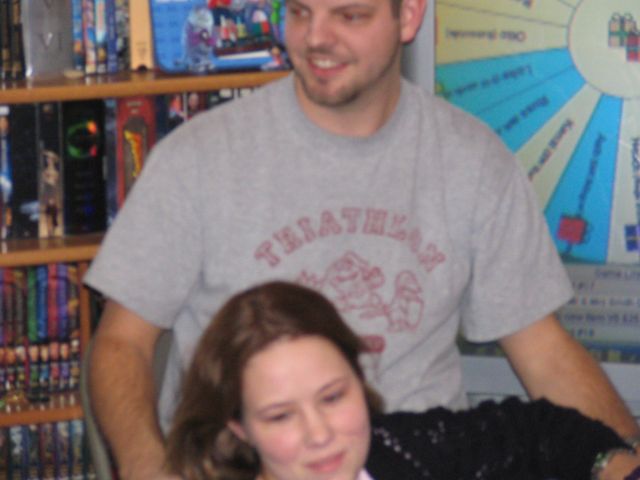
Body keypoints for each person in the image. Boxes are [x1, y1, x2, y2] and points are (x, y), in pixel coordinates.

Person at [84, 0, 640, 477]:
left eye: (349, 15)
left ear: (409, 16)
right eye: (300, 12)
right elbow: (120, 345)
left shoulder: (474, 160)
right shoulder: (198, 158)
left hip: (429, 458)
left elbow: (543, 351)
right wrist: (149, 469)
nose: (316, 38)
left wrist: (629, 456)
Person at [166, 280, 640, 480]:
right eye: (280, 416)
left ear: (360, 379)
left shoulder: (404, 449)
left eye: (333, 397)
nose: (319, 433)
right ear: (239, 428)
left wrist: (614, 465)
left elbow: (536, 430)